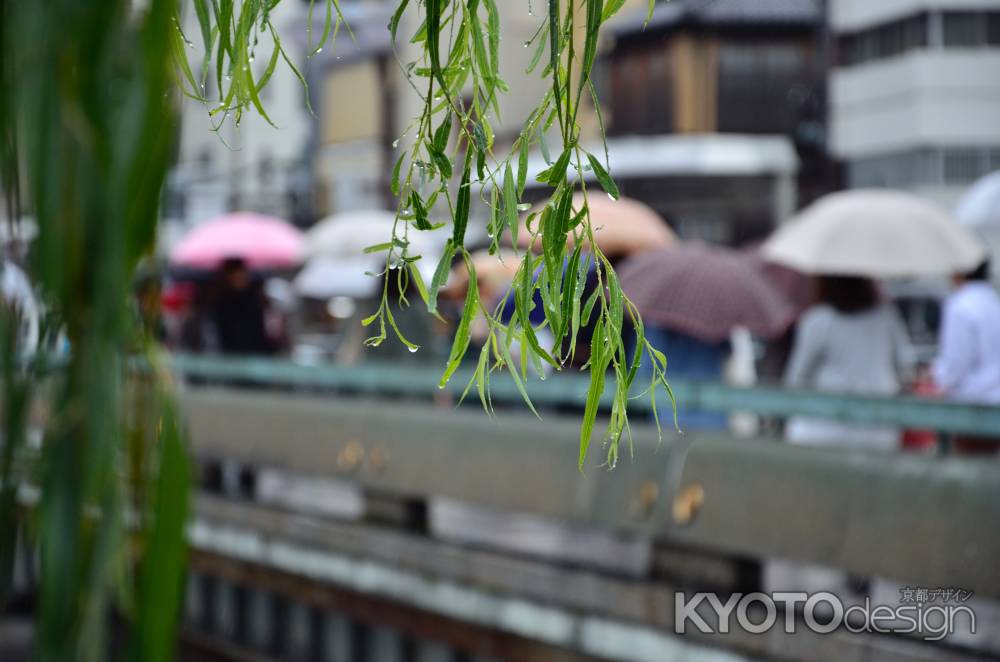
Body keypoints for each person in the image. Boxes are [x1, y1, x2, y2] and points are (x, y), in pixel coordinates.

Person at [783, 276, 915, 451]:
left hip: (823, 428)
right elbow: (905, 365)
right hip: (878, 429)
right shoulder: (885, 315)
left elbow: (796, 379)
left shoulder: (818, 320)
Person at [933, 259, 1000, 453]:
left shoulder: (960, 305)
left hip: (973, 408)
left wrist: (938, 375)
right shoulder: (993, 302)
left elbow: (955, 367)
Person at [211, 257, 275, 355]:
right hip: (232, 352)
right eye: (236, 275)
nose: (240, 278)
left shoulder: (255, 295)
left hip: (257, 351)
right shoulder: (222, 300)